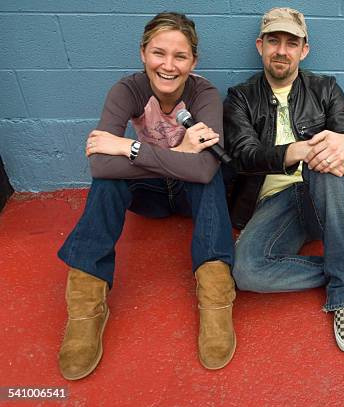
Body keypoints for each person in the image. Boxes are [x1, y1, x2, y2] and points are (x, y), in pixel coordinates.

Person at [57, 12, 236, 379]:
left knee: (210, 179)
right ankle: (86, 306)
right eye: (158, 53)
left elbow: (203, 170)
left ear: (193, 62)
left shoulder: (204, 95)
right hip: (149, 198)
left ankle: (216, 296)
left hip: (190, 197)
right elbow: (101, 167)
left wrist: (130, 148)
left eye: (180, 56)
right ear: (142, 53)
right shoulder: (128, 91)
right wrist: (180, 155)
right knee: (108, 185)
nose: (168, 66)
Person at [223, 7, 344, 353]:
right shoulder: (240, 98)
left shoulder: (325, 88)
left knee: (327, 156)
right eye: (273, 41)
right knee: (246, 271)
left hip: (324, 193)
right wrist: (298, 150)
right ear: (260, 45)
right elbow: (244, 155)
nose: (281, 50)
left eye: (291, 43)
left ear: (303, 50)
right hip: (275, 205)